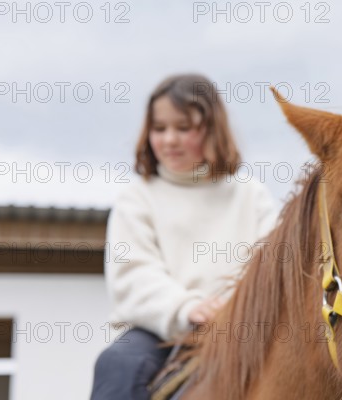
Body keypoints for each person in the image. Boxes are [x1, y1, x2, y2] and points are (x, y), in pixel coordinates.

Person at [91, 74, 278, 399]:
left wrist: (235, 312)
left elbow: (272, 266)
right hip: (160, 332)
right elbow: (134, 274)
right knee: (117, 362)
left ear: (212, 129)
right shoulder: (137, 198)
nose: (170, 140)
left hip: (241, 330)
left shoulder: (251, 196)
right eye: (159, 129)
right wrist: (186, 308)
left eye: (184, 127)